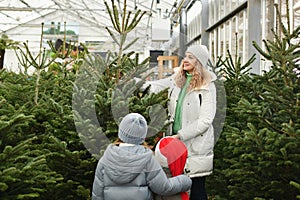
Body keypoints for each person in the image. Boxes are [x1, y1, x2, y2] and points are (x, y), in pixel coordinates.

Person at [140, 44, 217, 200]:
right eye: (185, 56)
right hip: (174, 145)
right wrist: (134, 82)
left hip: (195, 146)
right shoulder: (177, 81)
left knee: (196, 189)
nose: (185, 60)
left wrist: (180, 135)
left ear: (199, 61)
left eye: (191, 57)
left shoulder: (208, 86)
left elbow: (206, 120)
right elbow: (154, 86)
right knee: (177, 190)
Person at [92, 113, 192, 200]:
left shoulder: (105, 160)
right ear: (142, 136)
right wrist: (185, 180)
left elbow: (97, 194)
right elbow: (163, 187)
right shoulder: (147, 159)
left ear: (121, 133)